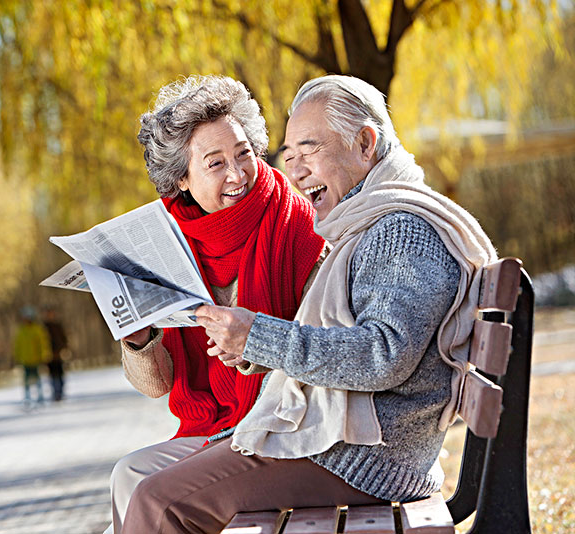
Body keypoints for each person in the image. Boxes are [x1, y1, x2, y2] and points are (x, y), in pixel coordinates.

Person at [121, 75, 498, 533]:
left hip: (360, 456)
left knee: (158, 502)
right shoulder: (363, 224)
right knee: (143, 486)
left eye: (309, 151)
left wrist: (256, 337)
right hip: (344, 441)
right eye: (290, 156)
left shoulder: (400, 230)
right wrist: (250, 349)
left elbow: (384, 356)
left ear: (364, 144)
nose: (295, 172)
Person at [105, 75, 326, 534]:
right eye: (216, 163)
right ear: (182, 179)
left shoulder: (298, 223)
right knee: (127, 473)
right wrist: (139, 340)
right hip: (213, 425)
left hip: (278, 424)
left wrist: (257, 349)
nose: (238, 174)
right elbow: (157, 386)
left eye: (244, 153)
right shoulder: (169, 241)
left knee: (146, 496)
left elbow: (323, 351)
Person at [13, 305, 52, 407]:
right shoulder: (21, 330)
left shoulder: (37, 329)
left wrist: (44, 355)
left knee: (38, 379)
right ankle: (27, 397)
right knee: (26, 381)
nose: (25, 319)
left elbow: (43, 343)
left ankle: (40, 397)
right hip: (25, 360)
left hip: (36, 359)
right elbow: (18, 345)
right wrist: (17, 357)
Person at [42, 307, 68, 401]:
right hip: (49, 355)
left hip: (59, 354)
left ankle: (61, 392)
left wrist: (65, 349)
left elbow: (64, 339)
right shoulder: (44, 327)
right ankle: (55, 393)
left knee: (60, 374)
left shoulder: (58, 326)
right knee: (52, 375)